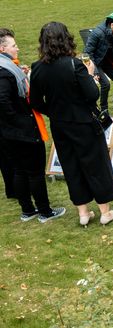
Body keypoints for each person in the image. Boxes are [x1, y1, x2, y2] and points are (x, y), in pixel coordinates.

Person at [30, 22, 113, 227]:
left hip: (60, 125)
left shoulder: (38, 68)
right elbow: (93, 94)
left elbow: (35, 102)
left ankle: (83, 213)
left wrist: (53, 111)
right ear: (65, 39)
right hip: (84, 122)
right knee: (95, 164)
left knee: (71, 166)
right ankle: (105, 212)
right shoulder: (74, 64)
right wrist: (89, 75)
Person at [0, 28, 65, 223]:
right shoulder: (3, 71)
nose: (17, 48)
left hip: (10, 132)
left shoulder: (8, 67)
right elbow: (2, 101)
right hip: (22, 130)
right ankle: (45, 212)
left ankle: (27, 210)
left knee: (19, 170)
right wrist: (19, 121)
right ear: (2, 47)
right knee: (35, 172)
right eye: (13, 45)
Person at [84, 11, 113, 111]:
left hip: (107, 62)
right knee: (106, 84)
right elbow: (87, 53)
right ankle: (104, 109)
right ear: (112, 25)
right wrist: (94, 71)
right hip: (96, 62)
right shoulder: (97, 33)